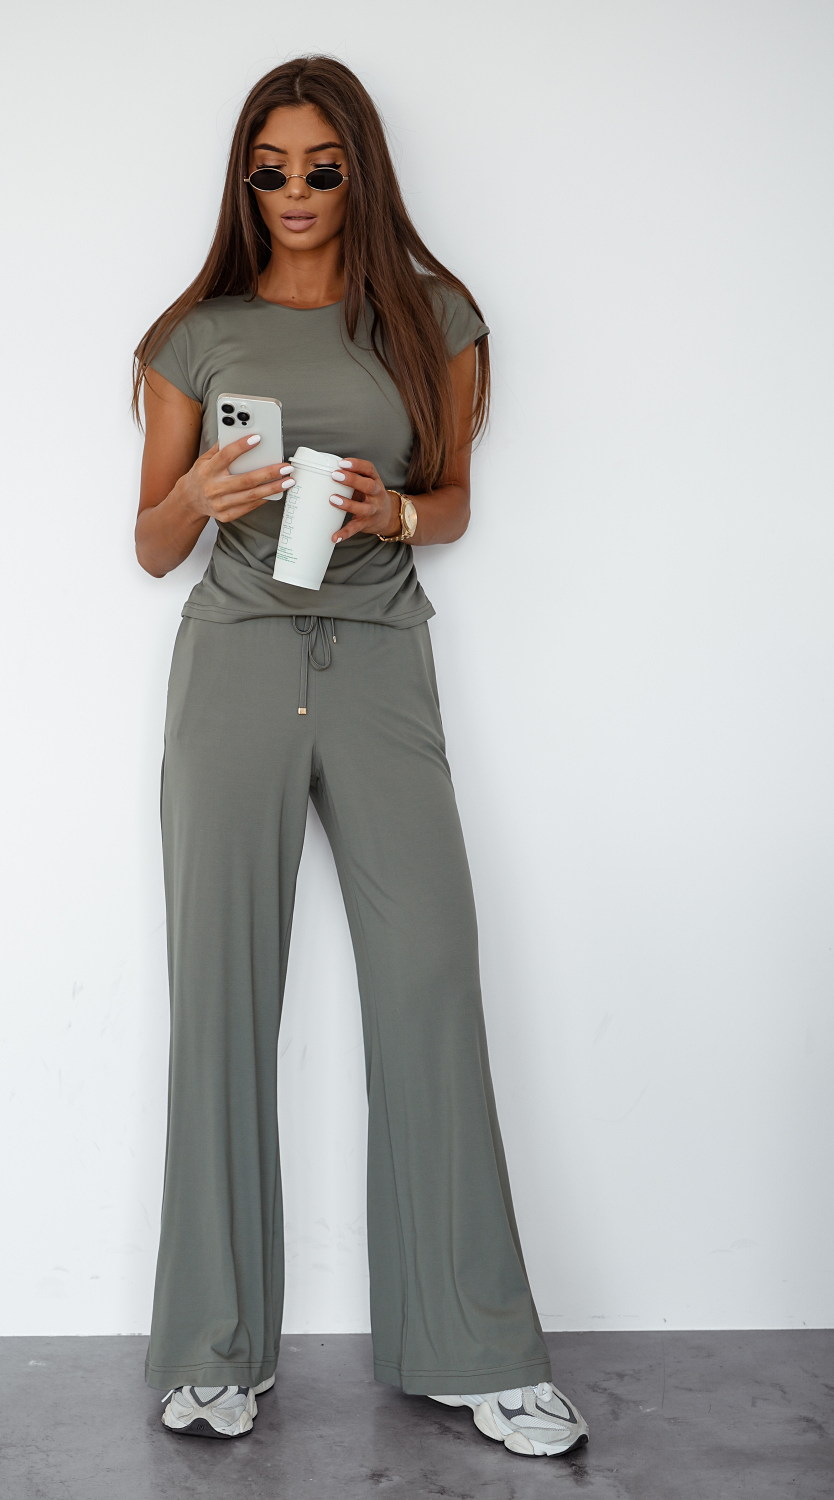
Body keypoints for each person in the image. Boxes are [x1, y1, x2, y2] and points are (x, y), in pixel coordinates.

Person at [132, 55, 588, 1459]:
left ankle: (477, 1348)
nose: (296, 192)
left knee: (429, 979)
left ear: (359, 174)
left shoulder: (433, 319)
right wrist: (199, 493)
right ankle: (213, 1349)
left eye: (321, 168)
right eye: (270, 168)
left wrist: (394, 514)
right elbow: (149, 543)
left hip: (382, 661)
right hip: (236, 662)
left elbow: (454, 503)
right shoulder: (195, 336)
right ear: (244, 179)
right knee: (221, 994)